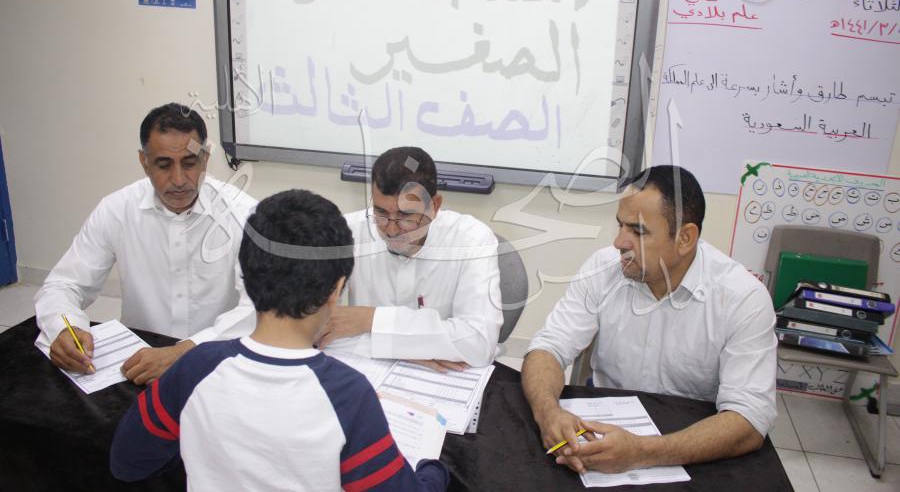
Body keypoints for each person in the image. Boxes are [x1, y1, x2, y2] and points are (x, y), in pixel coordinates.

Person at [110, 189, 449, 491]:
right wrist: (434, 470)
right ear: (336, 289)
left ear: (246, 274)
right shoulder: (348, 395)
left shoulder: (195, 368)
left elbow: (128, 463)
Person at [522, 165, 776, 474]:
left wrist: (642, 452)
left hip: (693, 445)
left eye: (638, 231)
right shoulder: (603, 269)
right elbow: (548, 348)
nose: (619, 242)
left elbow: (749, 420)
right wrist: (548, 413)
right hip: (605, 431)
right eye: (620, 225)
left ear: (685, 238)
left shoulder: (742, 298)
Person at [34, 103, 257, 384]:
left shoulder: (244, 215)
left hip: (217, 364)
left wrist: (184, 352)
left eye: (190, 163)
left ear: (205, 158)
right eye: (164, 165)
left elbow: (259, 308)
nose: (179, 179)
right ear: (144, 162)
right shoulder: (117, 210)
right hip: (138, 366)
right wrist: (64, 328)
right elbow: (64, 284)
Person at [317, 146, 503, 371]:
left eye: (405, 216)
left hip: (446, 378)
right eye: (381, 213)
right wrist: (409, 349)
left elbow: (479, 344)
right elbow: (306, 327)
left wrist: (371, 319)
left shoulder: (472, 239)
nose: (391, 230)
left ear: (434, 206)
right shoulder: (347, 231)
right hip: (367, 372)